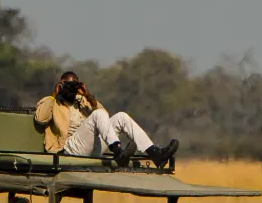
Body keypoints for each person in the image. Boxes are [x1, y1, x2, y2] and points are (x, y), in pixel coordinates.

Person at [32, 71, 179, 167]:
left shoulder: (82, 101)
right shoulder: (53, 101)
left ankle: (155, 154)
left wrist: (88, 96)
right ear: (60, 85)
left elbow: (105, 118)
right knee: (97, 115)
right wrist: (54, 94)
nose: (70, 89)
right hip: (68, 148)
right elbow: (40, 119)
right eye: (67, 85)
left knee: (121, 116)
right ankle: (118, 152)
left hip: (89, 147)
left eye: (74, 85)